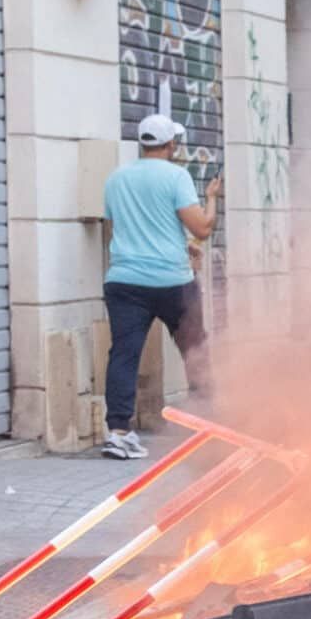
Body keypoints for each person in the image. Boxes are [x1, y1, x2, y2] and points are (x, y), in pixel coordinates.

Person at [99, 113, 218, 461]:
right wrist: (212, 198)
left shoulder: (116, 178)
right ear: (170, 145)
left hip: (124, 280)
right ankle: (206, 424)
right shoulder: (177, 176)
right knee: (195, 349)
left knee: (124, 355)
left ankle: (118, 433)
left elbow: (121, 226)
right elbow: (202, 228)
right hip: (172, 282)